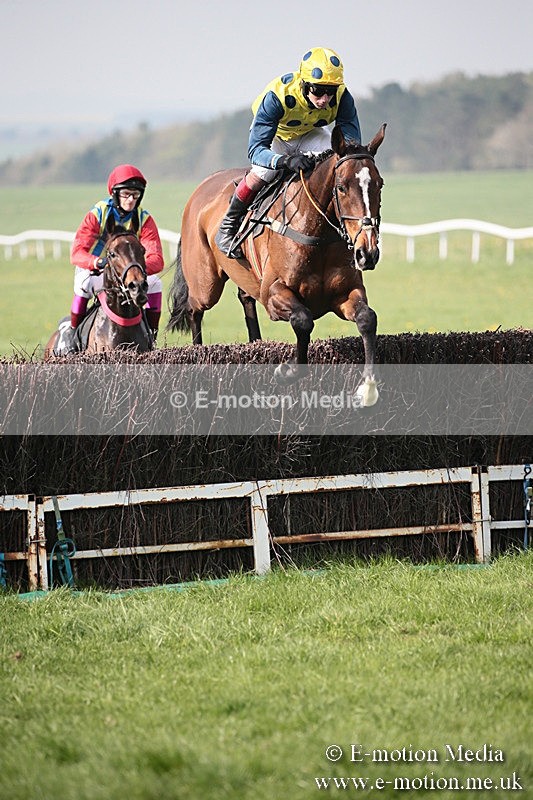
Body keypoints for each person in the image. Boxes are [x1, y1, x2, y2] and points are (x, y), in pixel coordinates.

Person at [215, 46, 362, 258]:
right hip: (276, 137)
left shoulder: (343, 96)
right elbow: (256, 150)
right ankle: (228, 226)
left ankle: (342, 229)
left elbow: (351, 144)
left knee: (337, 165)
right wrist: (285, 161)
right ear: (304, 83)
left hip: (310, 134)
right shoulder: (277, 96)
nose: (324, 99)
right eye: (318, 91)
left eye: (330, 91)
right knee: (263, 174)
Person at [64, 164, 164, 351]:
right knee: (83, 284)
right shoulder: (98, 214)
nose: (131, 199)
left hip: (128, 272)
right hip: (96, 269)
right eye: (126, 194)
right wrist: (97, 262)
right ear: (115, 194)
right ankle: (73, 334)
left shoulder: (144, 219)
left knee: (156, 283)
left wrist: (135, 270)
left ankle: (152, 334)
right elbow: (77, 253)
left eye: (135, 195)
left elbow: (157, 258)